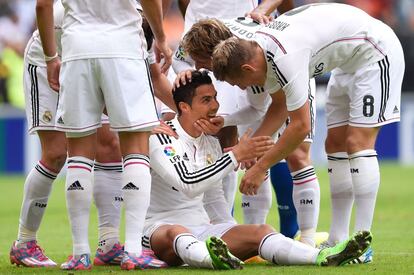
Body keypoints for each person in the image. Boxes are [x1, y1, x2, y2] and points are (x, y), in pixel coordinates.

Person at [211, 2, 404, 262]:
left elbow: (300, 127)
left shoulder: (284, 58)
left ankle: (364, 238)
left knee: (357, 143)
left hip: (375, 53)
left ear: (248, 69)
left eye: (239, 83)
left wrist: (260, 167)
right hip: (346, 63)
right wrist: (254, 147)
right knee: (334, 144)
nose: (243, 89)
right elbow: (279, 109)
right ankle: (338, 239)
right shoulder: (257, 51)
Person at [144, 70, 372, 269]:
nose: (215, 106)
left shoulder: (211, 142)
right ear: (184, 107)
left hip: (202, 231)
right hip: (160, 229)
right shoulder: (163, 136)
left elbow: (213, 201)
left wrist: (228, 231)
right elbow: (188, 184)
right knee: (178, 232)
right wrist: (234, 156)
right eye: (206, 100)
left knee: (261, 230)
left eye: (215, 97)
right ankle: (213, 260)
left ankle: (322, 256)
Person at [35, 0, 172, 270]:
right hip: (123, 47)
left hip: (77, 50)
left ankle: (79, 253)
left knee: (79, 155)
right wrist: (161, 37)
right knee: (135, 149)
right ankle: (133, 250)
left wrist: (51, 58)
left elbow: (42, 6)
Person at [176, 16, 321, 246]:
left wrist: (228, 122)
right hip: (260, 89)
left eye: (200, 61)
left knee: (297, 155)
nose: (197, 67)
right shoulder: (211, 34)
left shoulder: (251, 54)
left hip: (292, 80)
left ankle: (307, 240)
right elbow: (178, 58)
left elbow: (265, 107)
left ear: (214, 53)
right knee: (251, 158)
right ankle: (255, 240)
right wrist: (182, 72)